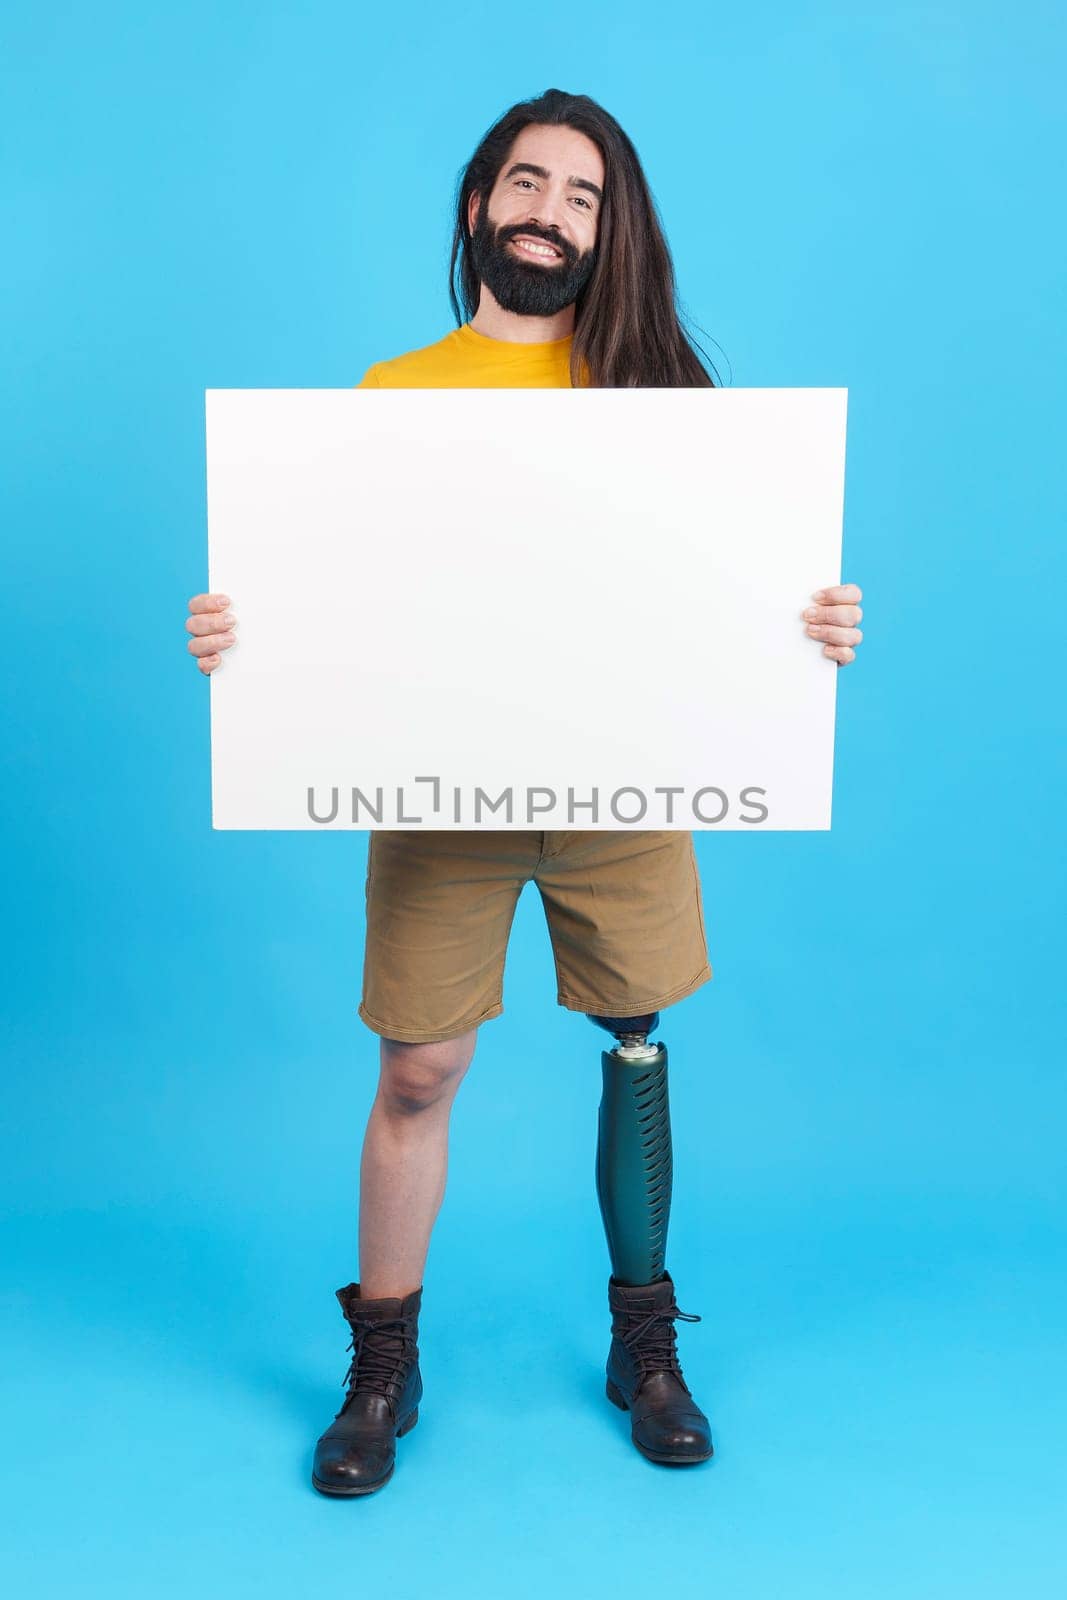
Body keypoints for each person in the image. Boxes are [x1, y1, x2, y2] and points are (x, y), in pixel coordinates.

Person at [185, 89, 865, 1497]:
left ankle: (644, 1343)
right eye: (526, 182)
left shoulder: (663, 403)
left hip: (622, 786)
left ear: (609, 233)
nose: (548, 212)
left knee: (635, 1037)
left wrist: (810, 625)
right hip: (440, 793)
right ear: (477, 207)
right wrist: (244, 635)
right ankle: (383, 1360)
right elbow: (338, 608)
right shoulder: (391, 398)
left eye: (582, 196)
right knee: (419, 1068)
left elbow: (728, 596)